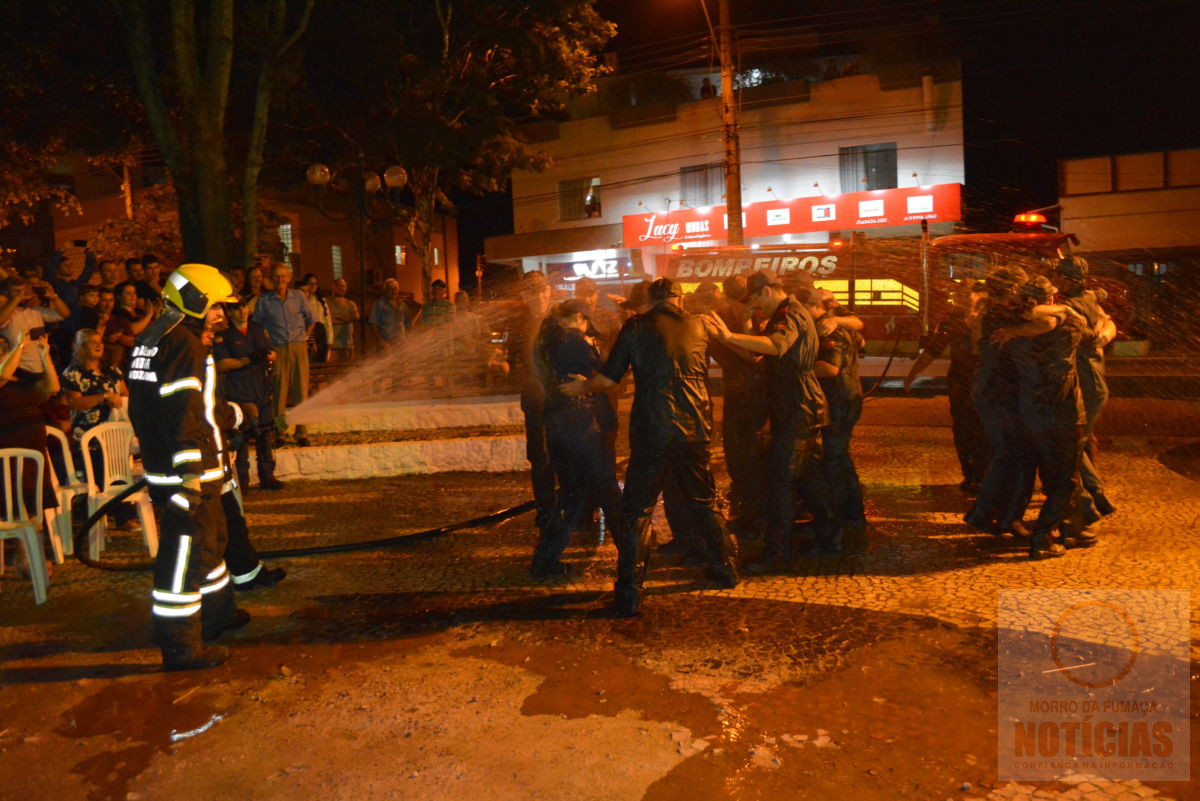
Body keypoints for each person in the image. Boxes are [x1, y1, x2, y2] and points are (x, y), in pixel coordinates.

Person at [564, 277, 738, 617]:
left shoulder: (636, 327)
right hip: (694, 426)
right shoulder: (699, 325)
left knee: (638, 511)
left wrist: (581, 388)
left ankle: (630, 590)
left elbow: (609, 379)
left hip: (652, 429)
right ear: (678, 299)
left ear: (650, 301)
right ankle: (726, 568)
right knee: (703, 501)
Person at [126, 263, 249, 671]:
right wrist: (191, 475)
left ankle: (216, 616)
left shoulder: (155, 337)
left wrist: (229, 417)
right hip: (187, 473)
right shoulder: (183, 344)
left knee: (211, 544)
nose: (221, 314)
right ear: (195, 301)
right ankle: (180, 646)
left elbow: (183, 406)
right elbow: (182, 412)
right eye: (215, 305)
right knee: (183, 555)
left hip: (183, 465)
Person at [707, 270, 832, 571]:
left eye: (754, 300)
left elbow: (775, 346)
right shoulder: (785, 312)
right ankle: (831, 538)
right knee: (810, 477)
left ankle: (777, 553)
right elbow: (763, 351)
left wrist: (728, 335)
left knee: (782, 480)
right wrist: (749, 324)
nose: (754, 306)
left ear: (765, 291)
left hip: (797, 404)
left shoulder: (787, 313)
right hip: (800, 403)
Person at [990, 277, 1092, 559]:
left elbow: (1035, 320)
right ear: (1051, 300)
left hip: (1030, 412)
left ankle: (1056, 530)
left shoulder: (1008, 330)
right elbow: (1091, 336)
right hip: (1065, 413)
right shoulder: (1068, 324)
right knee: (1065, 480)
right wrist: (1073, 313)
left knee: (1047, 473)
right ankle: (1043, 538)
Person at [529, 300, 623, 579]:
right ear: (579, 318)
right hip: (582, 425)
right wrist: (591, 345)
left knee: (571, 494)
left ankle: (545, 562)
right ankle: (633, 551)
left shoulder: (544, 339)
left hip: (560, 424)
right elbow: (607, 369)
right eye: (587, 326)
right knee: (607, 487)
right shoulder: (570, 338)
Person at [904, 279, 990, 492]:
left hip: (988, 385)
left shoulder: (991, 318)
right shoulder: (953, 321)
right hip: (961, 384)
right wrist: (912, 374)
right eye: (957, 294)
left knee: (986, 432)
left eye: (964, 293)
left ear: (979, 295)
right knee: (963, 431)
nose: (958, 298)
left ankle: (988, 476)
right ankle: (971, 475)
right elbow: (933, 349)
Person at [1055, 256, 1117, 521]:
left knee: (1073, 443)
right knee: (1077, 441)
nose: (1056, 280)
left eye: (1059, 276)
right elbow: (1100, 294)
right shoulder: (1090, 298)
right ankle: (1095, 497)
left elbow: (1089, 338)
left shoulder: (1070, 306)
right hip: (1096, 381)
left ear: (1070, 280)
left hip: (1087, 382)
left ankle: (1094, 497)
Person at [808, 288, 867, 542]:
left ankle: (842, 518)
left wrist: (798, 368)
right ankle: (851, 513)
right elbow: (861, 341)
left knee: (833, 460)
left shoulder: (830, 328)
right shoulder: (835, 324)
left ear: (817, 306)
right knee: (840, 459)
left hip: (840, 401)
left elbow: (831, 368)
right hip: (843, 399)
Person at [507, 271, 557, 546]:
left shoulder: (559, 319)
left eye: (542, 291)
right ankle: (547, 509)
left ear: (549, 291)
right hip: (536, 402)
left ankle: (573, 509)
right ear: (524, 297)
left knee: (567, 456)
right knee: (540, 457)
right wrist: (504, 364)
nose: (538, 297)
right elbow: (512, 358)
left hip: (563, 403)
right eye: (531, 292)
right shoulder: (519, 325)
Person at [214, 297, 283, 490]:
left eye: (243, 306)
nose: (242, 311)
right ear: (229, 312)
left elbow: (273, 353)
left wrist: (267, 356)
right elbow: (221, 364)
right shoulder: (224, 335)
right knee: (242, 437)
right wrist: (247, 360)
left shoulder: (257, 329)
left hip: (261, 387)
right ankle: (242, 481)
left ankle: (267, 477)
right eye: (236, 309)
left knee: (266, 433)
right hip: (239, 390)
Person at [251, 262, 314, 446]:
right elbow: (257, 325)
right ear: (271, 279)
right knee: (279, 392)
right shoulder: (264, 301)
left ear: (289, 277)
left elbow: (312, 319)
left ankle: (301, 432)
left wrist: (306, 337)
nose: (280, 279)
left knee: (301, 391)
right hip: (277, 349)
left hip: (298, 347)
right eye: (277, 276)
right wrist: (266, 344)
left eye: (283, 276)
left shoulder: (299, 297)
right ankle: (280, 431)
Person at [0, 275, 69, 375]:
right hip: (19, 368)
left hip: (42, 366)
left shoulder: (34, 310)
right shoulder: (8, 313)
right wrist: (16, 299)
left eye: (23, 290)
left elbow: (64, 314)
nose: (22, 294)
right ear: (6, 293)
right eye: (16, 291)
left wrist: (54, 296)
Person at [367, 278, 409, 349]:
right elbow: (373, 324)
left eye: (395, 288)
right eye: (390, 289)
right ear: (385, 291)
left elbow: (408, 324)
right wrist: (381, 341)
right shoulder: (379, 304)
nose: (393, 291)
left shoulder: (403, 305)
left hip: (401, 344)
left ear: (398, 289)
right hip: (386, 345)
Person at [299, 272, 330, 364]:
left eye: (315, 283)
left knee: (320, 361)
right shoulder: (301, 302)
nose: (313, 286)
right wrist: (310, 341)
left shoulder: (321, 301)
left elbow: (327, 322)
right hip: (308, 335)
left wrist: (330, 341)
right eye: (310, 283)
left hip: (320, 334)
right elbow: (306, 322)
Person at [326, 278, 359, 362]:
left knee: (348, 371)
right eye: (339, 286)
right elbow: (326, 320)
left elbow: (355, 317)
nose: (342, 288)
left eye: (344, 286)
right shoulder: (325, 302)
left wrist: (334, 318)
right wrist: (346, 318)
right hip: (330, 345)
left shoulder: (350, 304)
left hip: (347, 345)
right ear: (333, 287)